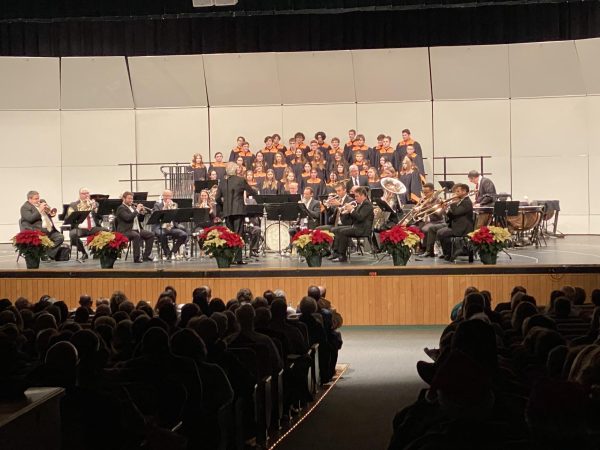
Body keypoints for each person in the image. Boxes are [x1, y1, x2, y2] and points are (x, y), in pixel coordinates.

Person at [214, 162, 256, 265]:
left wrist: (224, 205)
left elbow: (217, 198)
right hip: (238, 211)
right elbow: (251, 191)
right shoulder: (241, 180)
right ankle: (238, 259)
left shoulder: (223, 182)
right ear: (236, 170)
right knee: (238, 235)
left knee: (230, 235)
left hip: (227, 212)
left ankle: (230, 258)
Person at [331, 186, 374, 262]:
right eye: (355, 196)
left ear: (363, 195)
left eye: (357, 196)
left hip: (362, 229)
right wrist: (348, 212)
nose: (355, 198)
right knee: (336, 229)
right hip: (357, 226)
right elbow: (355, 218)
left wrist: (352, 210)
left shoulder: (367, 205)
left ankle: (342, 256)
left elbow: (360, 218)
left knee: (342, 232)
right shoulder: (360, 204)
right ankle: (336, 253)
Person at [20, 190, 64, 260]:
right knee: (44, 239)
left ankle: (48, 254)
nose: (38, 200)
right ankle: (44, 255)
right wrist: (39, 210)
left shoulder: (42, 201)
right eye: (36, 199)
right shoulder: (25, 207)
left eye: (38, 198)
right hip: (38, 231)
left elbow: (48, 214)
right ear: (29, 199)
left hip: (49, 229)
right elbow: (30, 219)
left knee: (60, 237)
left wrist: (51, 213)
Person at [435, 183, 474, 261]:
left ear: (464, 191)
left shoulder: (467, 202)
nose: (455, 194)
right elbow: (452, 215)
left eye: (458, 191)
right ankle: (446, 253)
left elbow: (456, 213)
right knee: (440, 232)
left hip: (463, 228)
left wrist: (452, 202)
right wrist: (446, 209)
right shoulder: (460, 201)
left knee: (443, 234)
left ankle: (449, 253)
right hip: (457, 225)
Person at [65, 187, 105, 259]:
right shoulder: (73, 205)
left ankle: (97, 251)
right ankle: (83, 252)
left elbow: (101, 217)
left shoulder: (95, 204)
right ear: (80, 195)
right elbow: (67, 218)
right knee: (73, 234)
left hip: (93, 227)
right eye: (84, 194)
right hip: (80, 228)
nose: (86, 195)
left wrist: (96, 209)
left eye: (87, 193)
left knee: (106, 231)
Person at [115, 192, 155, 263]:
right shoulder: (121, 208)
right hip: (125, 230)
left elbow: (140, 220)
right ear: (124, 199)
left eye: (132, 199)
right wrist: (137, 210)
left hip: (137, 229)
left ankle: (146, 256)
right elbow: (128, 218)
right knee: (136, 235)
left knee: (151, 235)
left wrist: (142, 213)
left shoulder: (133, 207)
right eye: (129, 199)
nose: (131, 200)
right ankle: (137, 258)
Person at [151, 190, 188, 260]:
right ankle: (167, 252)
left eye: (169, 196)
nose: (167, 197)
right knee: (162, 234)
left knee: (184, 234)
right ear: (163, 196)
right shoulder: (157, 205)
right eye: (166, 196)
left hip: (171, 227)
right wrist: (165, 207)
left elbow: (177, 218)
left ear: (171, 196)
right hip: (160, 227)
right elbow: (157, 216)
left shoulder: (174, 204)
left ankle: (173, 251)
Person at [417, 183, 446, 257]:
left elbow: (439, 215)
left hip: (436, 221)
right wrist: (417, 209)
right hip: (424, 221)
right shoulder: (422, 199)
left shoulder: (438, 200)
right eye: (423, 192)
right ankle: (420, 248)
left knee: (425, 229)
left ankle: (427, 250)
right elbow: (419, 215)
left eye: (427, 192)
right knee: (415, 228)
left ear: (432, 191)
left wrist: (428, 206)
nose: (425, 194)